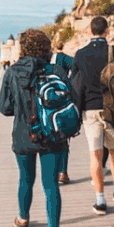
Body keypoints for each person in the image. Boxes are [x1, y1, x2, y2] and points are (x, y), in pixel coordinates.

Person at [0, 29, 67, 227]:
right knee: (51, 184)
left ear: (23, 48)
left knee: (25, 180)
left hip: (23, 134)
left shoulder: (13, 73)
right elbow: (68, 98)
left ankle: (23, 219)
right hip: (53, 134)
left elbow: (4, 107)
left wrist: (22, 108)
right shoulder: (56, 70)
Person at [69, 16, 114, 214]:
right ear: (107, 31)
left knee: (95, 154)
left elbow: (74, 83)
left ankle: (100, 200)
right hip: (112, 108)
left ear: (89, 31)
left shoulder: (80, 54)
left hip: (91, 109)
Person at [50, 40, 75, 185]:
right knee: (64, 138)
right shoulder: (65, 58)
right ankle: (63, 172)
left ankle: (53, 171)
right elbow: (76, 66)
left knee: (52, 137)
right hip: (63, 99)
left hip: (48, 100)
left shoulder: (48, 59)